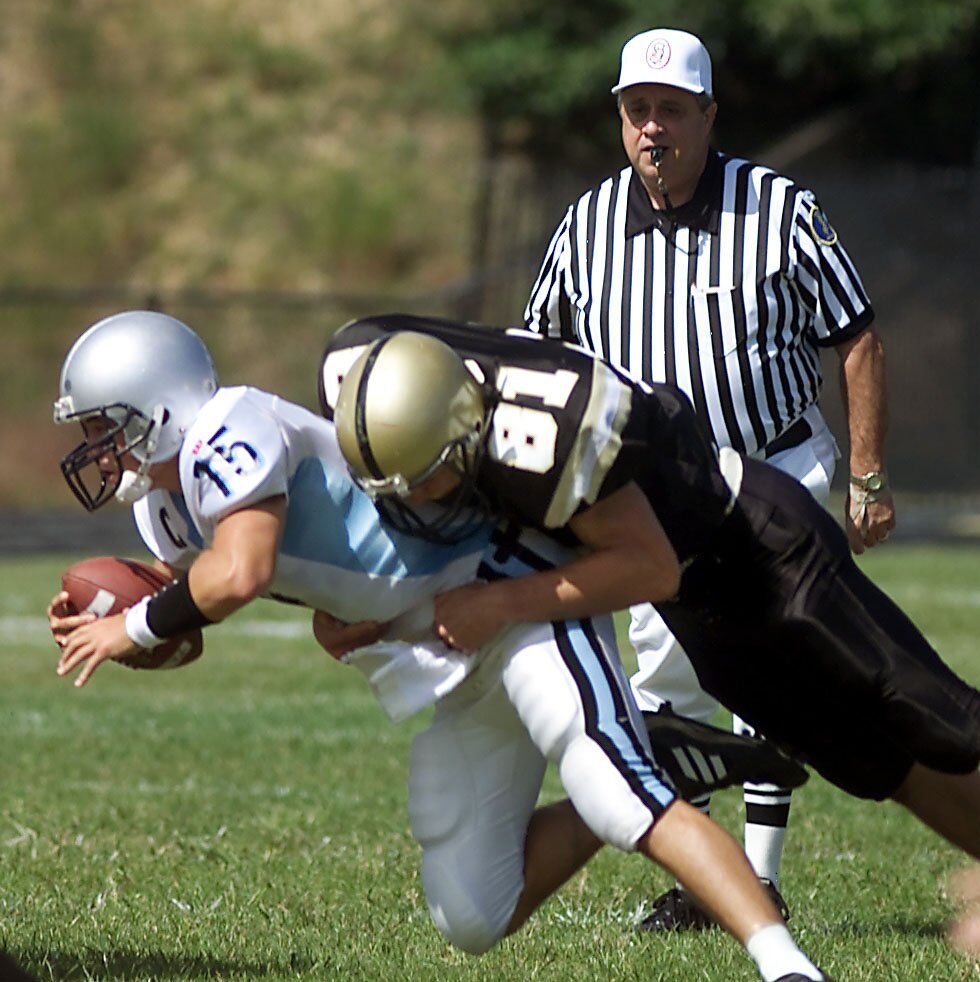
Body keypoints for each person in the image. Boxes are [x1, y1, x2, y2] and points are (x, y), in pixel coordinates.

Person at [49, 310, 831, 982]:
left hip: (510, 594)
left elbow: (241, 570)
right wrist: (116, 615)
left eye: (101, 426)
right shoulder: (166, 512)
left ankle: (784, 962)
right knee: (473, 912)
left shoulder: (229, 427)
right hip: (440, 649)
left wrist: (137, 624)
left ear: (157, 404)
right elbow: (196, 593)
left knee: (610, 784)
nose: (96, 447)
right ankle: (661, 753)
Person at [320, 313, 980, 908]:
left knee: (937, 716)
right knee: (875, 763)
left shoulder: (552, 436)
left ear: (469, 429)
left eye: (426, 482)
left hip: (760, 550)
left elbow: (648, 564)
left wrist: (496, 602)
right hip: (697, 607)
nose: (412, 505)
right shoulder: (366, 377)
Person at [523, 26, 897, 928]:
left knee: (772, 664)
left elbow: (855, 335)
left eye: (672, 111)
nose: (654, 128)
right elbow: (542, 354)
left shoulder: (777, 208)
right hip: (659, 490)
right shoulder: (588, 222)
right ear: (621, 119)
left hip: (775, 461)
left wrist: (869, 475)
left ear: (708, 116)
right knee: (667, 682)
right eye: (637, 110)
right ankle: (704, 872)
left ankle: (754, 879)